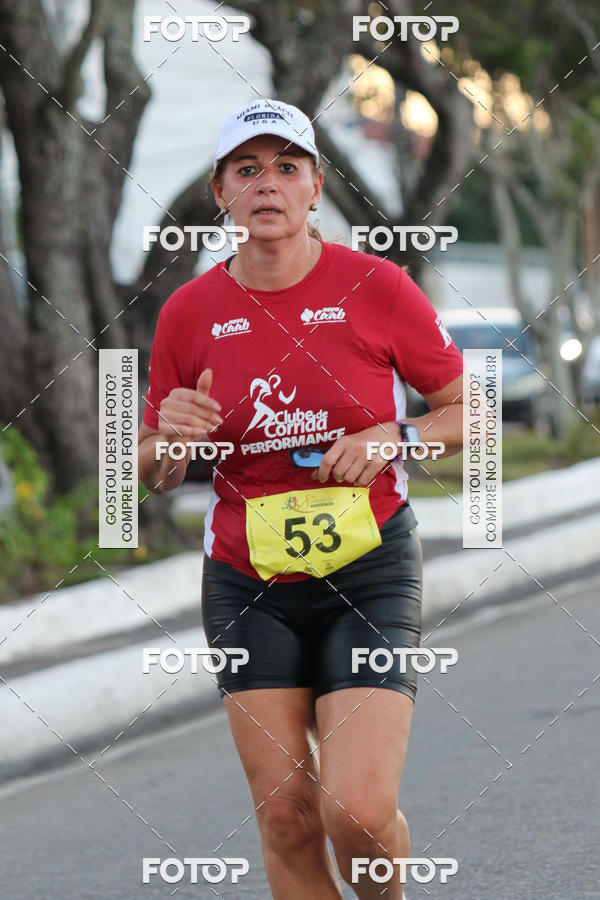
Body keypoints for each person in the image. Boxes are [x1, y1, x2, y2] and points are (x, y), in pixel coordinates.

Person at [138, 98, 464, 900]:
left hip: (368, 570)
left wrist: (397, 437)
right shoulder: (189, 312)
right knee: (287, 818)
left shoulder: (377, 287)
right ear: (220, 192)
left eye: (287, 167)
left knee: (355, 811)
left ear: (317, 186)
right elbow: (149, 470)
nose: (268, 185)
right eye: (247, 169)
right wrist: (169, 444)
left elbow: (472, 412)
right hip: (249, 586)